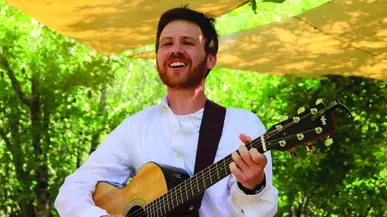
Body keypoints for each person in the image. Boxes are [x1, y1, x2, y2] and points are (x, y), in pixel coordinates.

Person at [55, 6, 278, 217]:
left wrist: (252, 187)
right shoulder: (136, 127)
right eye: (167, 44)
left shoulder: (242, 126)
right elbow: (72, 189)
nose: (176, 50)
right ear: (157, 60)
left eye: (188, 43)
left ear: (210, 59)